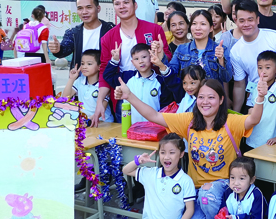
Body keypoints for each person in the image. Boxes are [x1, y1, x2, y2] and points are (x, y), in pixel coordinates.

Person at [113, 78, 267, 219]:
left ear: (221, 100)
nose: (205, 102)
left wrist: (260, 98)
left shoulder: (231, 122)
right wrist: (129, 96)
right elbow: (154, 116)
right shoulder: (189, 121)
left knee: (207, 197)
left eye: (211, 97)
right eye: (201, 97)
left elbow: (254, 119)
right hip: (195, 190)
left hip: (224, 187)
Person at [94, 0, 171, 126]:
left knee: (155, 132)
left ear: (135, 5)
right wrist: (100, 102)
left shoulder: (154, 30)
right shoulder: (108, 38)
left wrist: (161, 55)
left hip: (153, 92)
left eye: (126, 2)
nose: (122, 6)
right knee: (126, 134)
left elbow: (168, 61)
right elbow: (104, 71)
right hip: (124, 93)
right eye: (117, 4)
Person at [123, 133, 196, 219]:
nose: (166, 157)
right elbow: (126, 170)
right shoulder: (151, 173)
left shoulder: (186, 180)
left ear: (181, 154)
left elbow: (190, 209)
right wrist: (138, 161)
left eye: (172, 152)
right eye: (162, 152)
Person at [231, 0, 276, 112]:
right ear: (236, 21)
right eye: (241, 20)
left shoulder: (275, 38)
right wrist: (236, 113)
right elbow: (239, 85)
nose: (246, 24)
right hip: (254, 101)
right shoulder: (235, 51)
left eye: (250, 20)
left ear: (258, 20)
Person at [104, 43, 178, 124]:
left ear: (151, 57)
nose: (141, 61)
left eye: (144, 57)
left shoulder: (160, 81)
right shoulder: (127, 77)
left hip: (154, 129)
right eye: (136, 59)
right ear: (132, 62)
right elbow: (108, 76)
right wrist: (115, 60)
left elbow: (165, 107)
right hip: (130, 128)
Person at [164, 10, 232, 85]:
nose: (198, 28)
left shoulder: (221, 49)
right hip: (188, 95)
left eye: (203, 24)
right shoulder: (181, 49)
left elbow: (226, 78)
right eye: (194, 24)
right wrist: (161, 59)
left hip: (211, 95)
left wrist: (221, 60)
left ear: (211, 28)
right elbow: (171, 74)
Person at [49, 0, 115, 69]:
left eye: (89, 7)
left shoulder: (110, 29)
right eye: (80, 8)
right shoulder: (73, 33)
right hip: (79, 78)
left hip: (105, 78)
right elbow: (64, 50)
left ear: (98, 8)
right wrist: (57, 49)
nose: (84, 12)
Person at [243, 51, 276, 151]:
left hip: (271, 140)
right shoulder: (255, 87)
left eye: (267, 68)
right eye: (260, 67)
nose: (263, 71)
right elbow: (250, 110)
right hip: (252, 138)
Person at [62, 49, 114, 122]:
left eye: (89, 64)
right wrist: (71, 79)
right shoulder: (79, 81)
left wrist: (87, 121)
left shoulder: (104, 86)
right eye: (82, 63)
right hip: (86, 122)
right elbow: (65, 98)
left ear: (99, 67)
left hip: (104, 122)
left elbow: (101, 109)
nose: (84, 67)